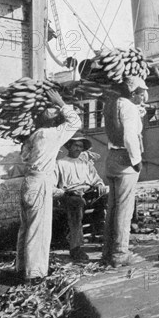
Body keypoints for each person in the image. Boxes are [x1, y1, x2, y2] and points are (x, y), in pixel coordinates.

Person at [16, 89, 81, 283]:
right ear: (53, 121)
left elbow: (25, 156)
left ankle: (21, 268)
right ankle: (34, 274)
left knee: (25, 227)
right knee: (39, 228)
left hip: (28, 182)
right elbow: (75, 122)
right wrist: (61, 102)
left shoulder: (33, 136)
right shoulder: (52, 134)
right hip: (41, 181)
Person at [102, 76, 147, 267]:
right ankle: (120, 253)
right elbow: (129, 136)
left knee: (112, 208)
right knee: (124, 209)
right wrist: (136, 161)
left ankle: (107, 252)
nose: (144, 96)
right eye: (141, 93)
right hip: (125, 159)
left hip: (111, 158)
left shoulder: (112, 104)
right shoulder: (128, 107)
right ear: (133, 92)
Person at [55, 134, 109, 261]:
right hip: (71, 195)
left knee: (109, 198)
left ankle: (106, 239)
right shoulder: (60, 163)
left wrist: (100, 184)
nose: (78, 149)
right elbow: (54, 186)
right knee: (76, 204)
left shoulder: (85, 163)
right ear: (69, 146)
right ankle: (76, 248)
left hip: (89, 192)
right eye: (76, 146)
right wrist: (64, 193)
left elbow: (96, 179)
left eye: (80, 146)